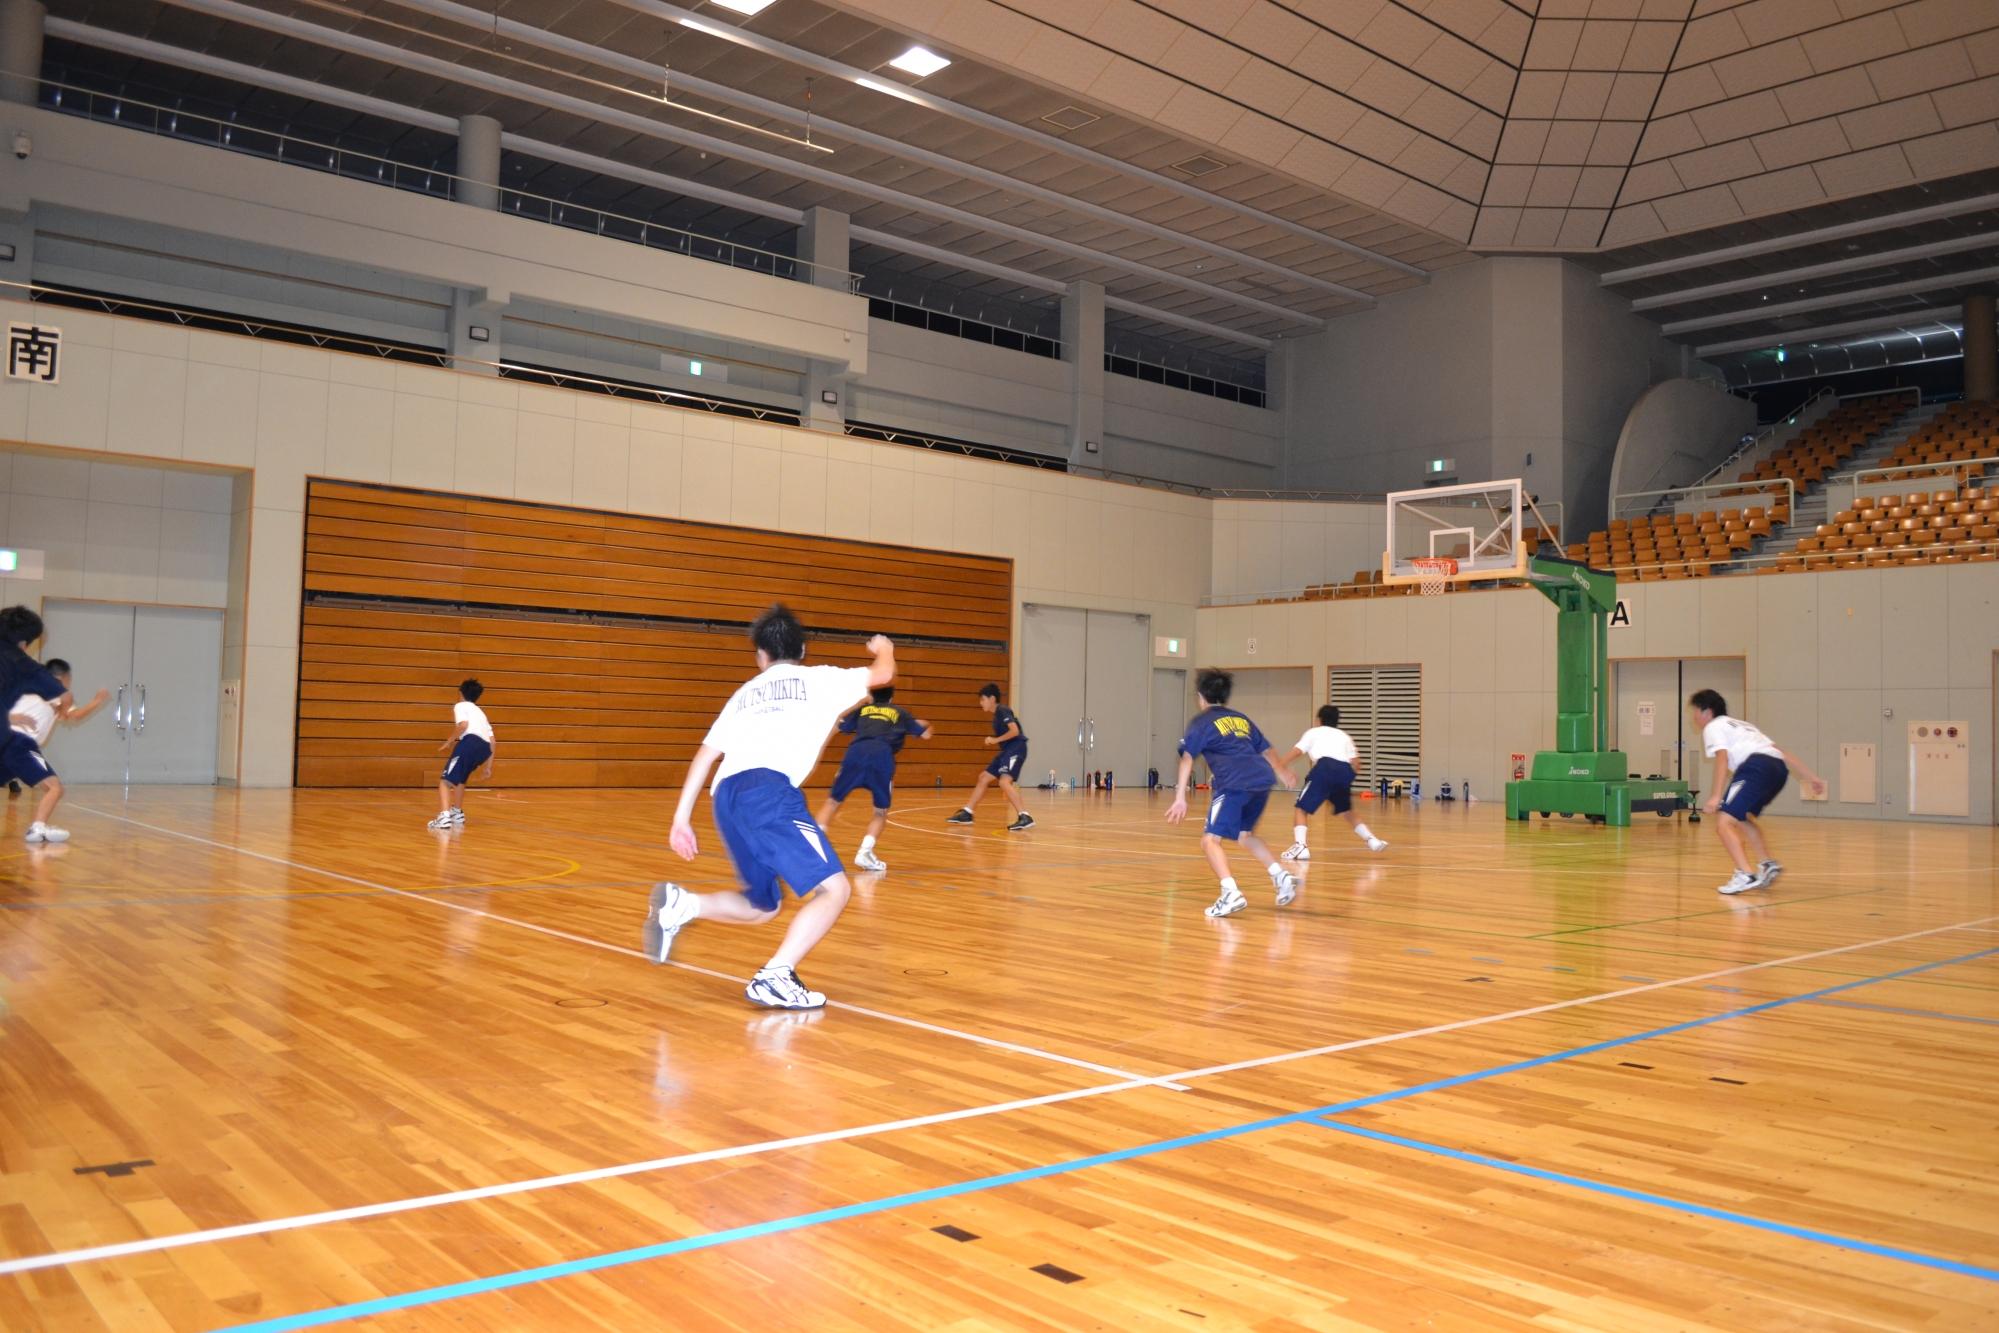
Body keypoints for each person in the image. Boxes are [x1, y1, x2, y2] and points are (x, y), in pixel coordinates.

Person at [647, 606, 895, 1010]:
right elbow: (882, 674)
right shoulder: (820, 679)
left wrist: (681, 818)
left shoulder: (744, 693)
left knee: (763, 905)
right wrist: (884, 648)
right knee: (835, 889)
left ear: (760, 656)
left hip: (726, 796)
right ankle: (776, 975)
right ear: (801, 648)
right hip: (768, 792)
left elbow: (707, 754)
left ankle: (684, 905)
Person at [1166, 668, 1299, 919]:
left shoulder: (1201, 722)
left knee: (1209, 841)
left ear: (1200, 696)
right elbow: (1267, 749)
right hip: (1261, 780)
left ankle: (1230, 893)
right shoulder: (1241, 719)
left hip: (1233, 783)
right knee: (1244, 836)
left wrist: (1180, 797)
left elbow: (1186, 759)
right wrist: (1282, 772)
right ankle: (1281, 876)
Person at [1690, 689, 1826, 895]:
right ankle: (1766, 863)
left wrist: (1716, 795)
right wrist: (1811, 776)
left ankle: (1745, 874)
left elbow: (1722, 758)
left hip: (1755, 767)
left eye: (1695, 712)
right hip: (1777, 769)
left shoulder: (1714, 726)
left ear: (1707, 712)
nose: (1694, 717)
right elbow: (1780, 751)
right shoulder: (1744, 725)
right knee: (1742, 817)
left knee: (1723, 824)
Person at [0, 613, 108, 844]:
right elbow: (74, 716)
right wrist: (98, 701)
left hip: (7, 742)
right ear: (62, 678)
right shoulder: (51, 690)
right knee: (55, 788)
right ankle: (37, 828)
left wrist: (11, 717)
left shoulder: (24, 685)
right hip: (21, 745)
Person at [815, 685, 932, 872]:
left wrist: (858, 705)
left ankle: (814, 846)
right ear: (891, 698)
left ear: (871, 695)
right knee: (880, 812)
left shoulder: (862, 709)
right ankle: (865, 852)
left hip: (856, 752)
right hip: (882, 756)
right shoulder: (900, 712)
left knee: (832, 801)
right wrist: (926, 724)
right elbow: (925, 734)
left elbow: (840, 724)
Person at [1278, 705, 1387, 860]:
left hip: (1325, 768)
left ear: (1319, 720)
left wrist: (1280, 765)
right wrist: (1341, 779)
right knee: (1347, 810)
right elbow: (1356, 764)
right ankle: (1372, 840)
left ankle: (1301, 846)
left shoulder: (1313, 732)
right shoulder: (1344, 736)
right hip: (1344, 771)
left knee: (1301, 808)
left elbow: (1297, 751)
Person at [945, 683, 1033, 831]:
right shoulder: (996, 716)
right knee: (984, 777)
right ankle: (968, 812)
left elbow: (1015, 731)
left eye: (982, 699)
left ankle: (1024, 816)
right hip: (1007, 750)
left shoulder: (1002, 710)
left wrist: (995, 740)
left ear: (992, 699)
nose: (981, 703)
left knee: (1004, 782)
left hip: (1016, 748)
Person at [429, 679, 494, 831]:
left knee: (445, 781)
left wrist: (450, 741)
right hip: (484, 748)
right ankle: (457, 813)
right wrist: (488, 767)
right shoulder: (481, 713)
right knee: (460, 779)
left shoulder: (460, 705)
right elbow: (492, 742)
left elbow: (463, 725)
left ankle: (444, 818)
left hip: (470, 742)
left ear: (460, 693)